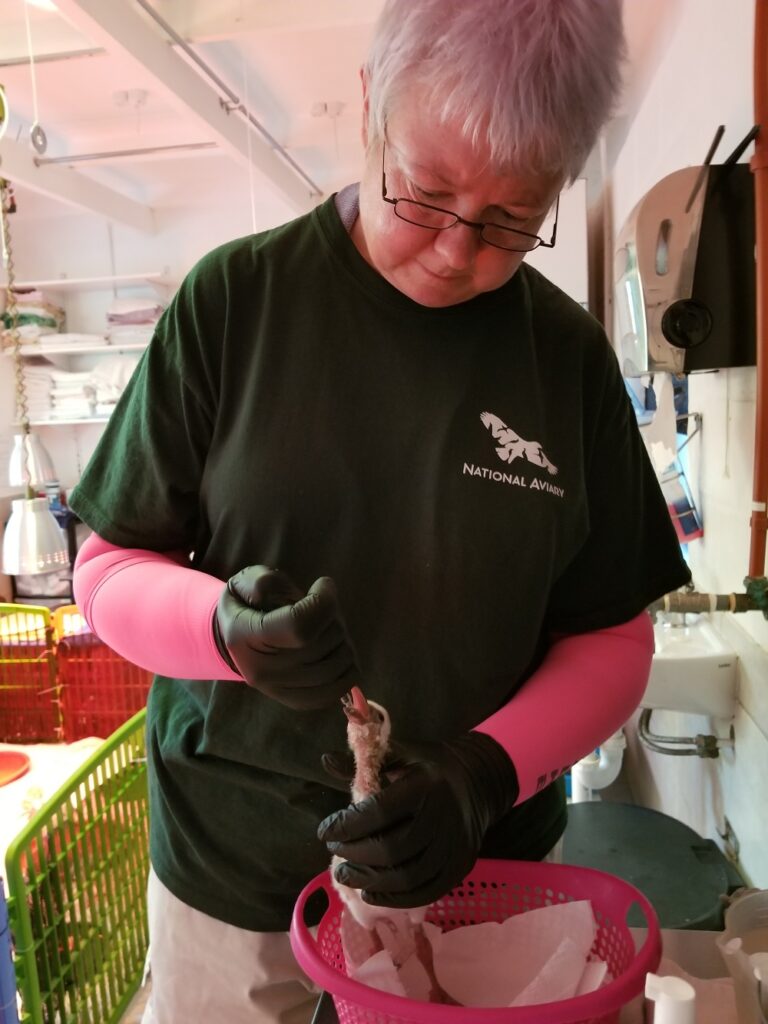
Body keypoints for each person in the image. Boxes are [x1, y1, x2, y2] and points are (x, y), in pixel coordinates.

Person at [69, 1, 691, 1020]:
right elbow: (106, 571)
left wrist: (484, 774)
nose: (455, 251)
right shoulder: (237, 302)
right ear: (369, 105)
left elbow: (615, 634)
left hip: (477, 880)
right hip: (237, 872)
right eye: (426, 194)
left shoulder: (564, 357)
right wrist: (224, 629)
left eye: (507, 222)